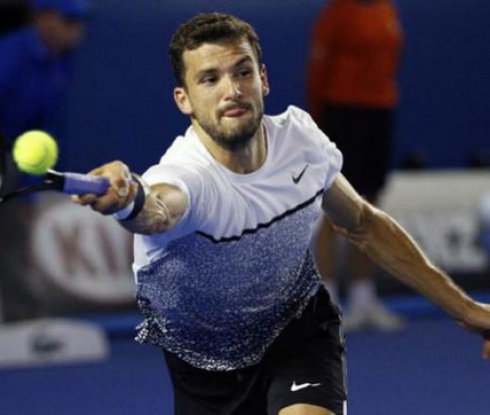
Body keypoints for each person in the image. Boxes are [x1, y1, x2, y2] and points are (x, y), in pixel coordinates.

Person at [74, 12, 490, 415]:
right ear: (184, 100)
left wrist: (468, 310)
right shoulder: (186, 175)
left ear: (264, 79)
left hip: (298, 334)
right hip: (206, 369)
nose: (232, 90)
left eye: (243, 72)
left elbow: (362, 223)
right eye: (210, 79)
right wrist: (129, 198)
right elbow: (158, 209)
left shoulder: (300, 141)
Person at [306, 0, 405, 331]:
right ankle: (328, 302)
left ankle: (363, 297)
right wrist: (319, 119)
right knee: (334, 207)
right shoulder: (338, 13)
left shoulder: (387, 10)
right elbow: (317, 70)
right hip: (343, 111)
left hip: (379, 112)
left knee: (370, 206)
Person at [0, 0, 88, 321]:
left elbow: (44, 124)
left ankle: (23, 323)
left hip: (13, 157)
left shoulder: (62, 59)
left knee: (13, 240)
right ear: (43, 18)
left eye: (80, 22)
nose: (77, 30)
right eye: (68, 20)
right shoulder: (8, 57)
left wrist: (29, 190)